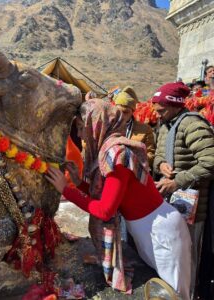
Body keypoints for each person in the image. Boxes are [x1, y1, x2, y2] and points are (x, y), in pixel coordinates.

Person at [46, 99, 192, 300]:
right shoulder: (108, 149)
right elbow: (106, 195)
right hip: (145, 227)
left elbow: (105, 210)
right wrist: (79, 183)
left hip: (160, 229)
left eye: (81, 128)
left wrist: (66, 189)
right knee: (158, 289)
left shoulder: (117, 154)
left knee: (174, 293)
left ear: (97, 124)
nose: (80, 135)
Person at [152, 81, 214, 299]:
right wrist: (160, 164)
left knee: (188, 256)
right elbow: (158, 153)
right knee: (173, 253)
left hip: (194, 207)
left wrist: (177, 182)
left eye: (161, 110)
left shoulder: (193, 125)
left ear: (176, 105)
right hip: (171, 202)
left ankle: (189, 293)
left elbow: (209, 162)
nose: (156, 115)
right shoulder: (166, 124)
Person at [113, 86, 155, 167]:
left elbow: (150, 155)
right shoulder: (108, 127)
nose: (121, 115)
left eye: (125, 112)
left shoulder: (145, 130)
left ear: (132, 111)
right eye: (118, 111)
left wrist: (132, 159)